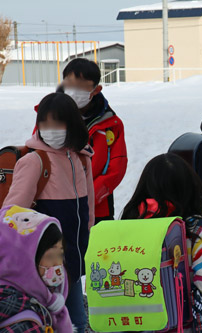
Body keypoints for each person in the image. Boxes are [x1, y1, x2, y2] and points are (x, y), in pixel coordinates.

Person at [5, 92, 94, 333]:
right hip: (44, 266)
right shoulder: (35, 161)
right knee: (56, 321)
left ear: (72, 124)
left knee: (77, 321)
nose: (50, 130)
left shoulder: (82, 159)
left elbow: (88, 208)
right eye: (45, 123)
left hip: (73, 260)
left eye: (58, 123)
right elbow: (11, 215)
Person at [122, 153, 202, 332]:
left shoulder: (130, 222)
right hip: (183, 325)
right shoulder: (196, 229)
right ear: (190, 188)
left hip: (140, 321)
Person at [34, 58, 128, 224]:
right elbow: (37, 154)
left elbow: (116, 168)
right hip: (55, 203)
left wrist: (89, 195)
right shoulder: (48, 115)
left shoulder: (111, 124)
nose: (74, 90)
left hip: (98, 207)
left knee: (96, 248)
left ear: (96, 90)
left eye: (81, 86)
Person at [0, 205, 72, 332]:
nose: (58, 264)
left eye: (60, 254)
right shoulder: (27, 326)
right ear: (22, 262)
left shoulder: (16, 300)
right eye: (50, 256)